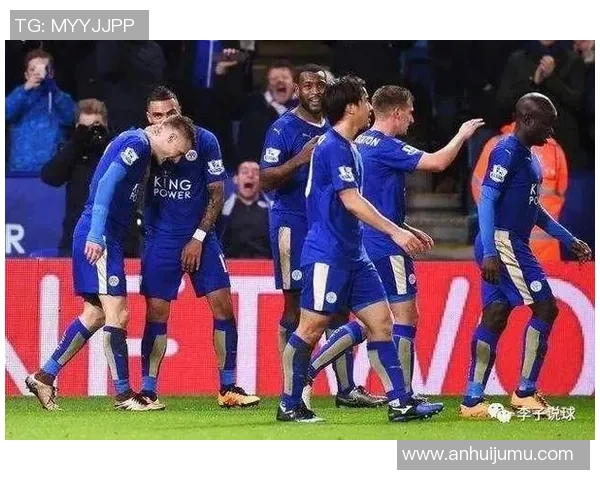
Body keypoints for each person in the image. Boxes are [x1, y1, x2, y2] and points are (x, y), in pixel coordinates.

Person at [302, 86, 484, 407]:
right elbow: (438, 163)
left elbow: (369, 200)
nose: (412, 120)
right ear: (397, 113)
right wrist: (461, 135)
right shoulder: (386, 146)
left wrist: (404, 226)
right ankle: (404, 393)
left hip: (368, 239)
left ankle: (313, 370)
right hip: (385, 245)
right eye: (410, 113)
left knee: (372, 321)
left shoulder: (359, 143)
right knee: (404, 317)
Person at [276, 76, 444, 423]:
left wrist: (402, 227)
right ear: (351, 106)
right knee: (310, 328)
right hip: (328, 254)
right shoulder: (332, 146)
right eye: (366, 100)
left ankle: (401, 402)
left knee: (381, 323)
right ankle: (289, 403)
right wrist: (396, 232)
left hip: (355, 255)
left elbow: (362, 202)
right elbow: (351, 201)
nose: (370, 107)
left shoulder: (351, 147)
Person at [25, 114, 195, 411]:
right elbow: (105, 183)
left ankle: (44, 376)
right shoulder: (137, 144)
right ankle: (124, 395)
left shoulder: (136, 143)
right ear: (169, 137)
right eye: (178, 150)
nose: (175, 158)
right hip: (100, 234)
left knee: (95, 314)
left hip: (104, 234)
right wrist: (96, 233)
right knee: (119, 313)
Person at [460, 93, 592, 418]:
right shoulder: (506, 151)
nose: (551, 132)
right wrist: (491, 250)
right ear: (528, 119)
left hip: (506, 242)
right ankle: (525, 392)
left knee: (495, 313)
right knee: (546, 308)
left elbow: (535, 210)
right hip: (503, 242)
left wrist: (569, 238)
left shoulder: (529, 156)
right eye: (547, 125)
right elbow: (486, 200)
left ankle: (472, 401)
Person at [260, 65, 384, 408]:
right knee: (296, 309)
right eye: (308, 85)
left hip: (330, 227)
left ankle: (346, 389)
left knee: (339, 309)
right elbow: (265, 179)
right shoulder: (283, 128)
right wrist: (300, 159)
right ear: (297, 90)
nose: (315, 91)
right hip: (293, 224)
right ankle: (293, 387)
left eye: (321, 85)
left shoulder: (337, 128)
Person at [139, 86, 260, 408]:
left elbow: (217, 193)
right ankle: (148, 390)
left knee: (223, 307)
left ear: (180, 111)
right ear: (148, 118)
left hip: (202, 238)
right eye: (158, 115)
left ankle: (228, 387)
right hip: (160, 239)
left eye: (171, 113)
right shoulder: (141, 144)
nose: (165, 120)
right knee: (156, 313)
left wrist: (198, 238)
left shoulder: (205, 140)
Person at [41, 99, 111, 256]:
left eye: (96, 126)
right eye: (85, 127)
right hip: (75, 236)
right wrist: (77, 141)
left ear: (105, 124)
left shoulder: (114, 148)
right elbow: (49, 177)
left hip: (110, 236)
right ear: (77, 127)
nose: (91, 132)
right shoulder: (73, 152)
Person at [6, 48, 76, 173]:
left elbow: (71, 118)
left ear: (51, 73)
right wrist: (24, 89)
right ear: (26, 75)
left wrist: (55, 91)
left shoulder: (59, 97)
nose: (37, 73)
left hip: (52, 170)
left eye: (44, 69)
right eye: (33, 70)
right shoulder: (19, 95)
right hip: (20, 168)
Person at [219, 161, 272, 259]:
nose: (250, 175)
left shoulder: (272, 210)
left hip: (266, 265)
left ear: (262, 180)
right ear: (236, 179)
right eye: (244, 172)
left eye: (256, 173)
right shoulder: (222, 210)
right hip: (231, 264)